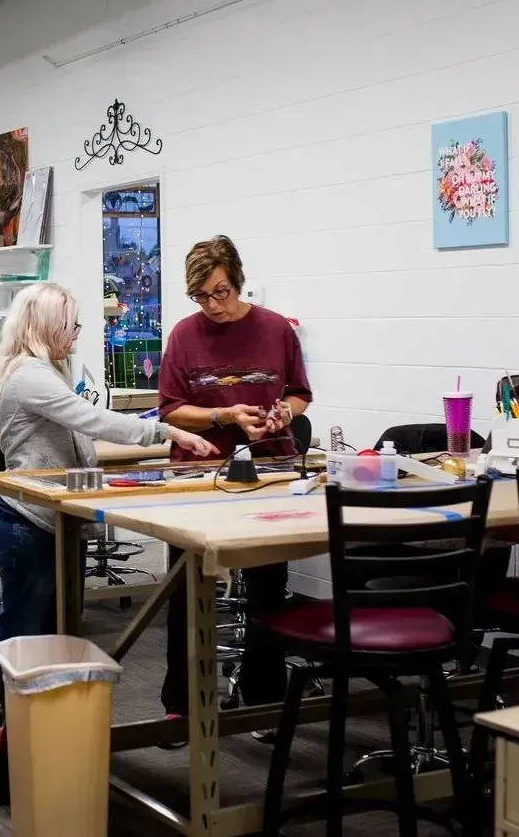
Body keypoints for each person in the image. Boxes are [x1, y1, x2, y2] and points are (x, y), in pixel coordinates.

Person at [0, 282, 217, 644]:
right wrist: (165, 432)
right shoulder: (32, 375)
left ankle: (48, 683)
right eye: (71, 325)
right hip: (30, 519)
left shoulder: (46, 370)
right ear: (48, 326)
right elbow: (92, 419)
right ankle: (6, 683)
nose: (76, 333)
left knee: (55, 626)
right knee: (25, 629)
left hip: (52, 516)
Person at [158, 235, 312, 724]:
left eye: (220, 292)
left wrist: (283, 414)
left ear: (238, 281)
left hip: (267, 470)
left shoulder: (276, 329)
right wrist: (224, 415)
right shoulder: (184, 335)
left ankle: (263, 698)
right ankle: (181, 703)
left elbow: (300, 393)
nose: (212, 305)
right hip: (199, 474)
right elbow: (170, 409)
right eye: (200, 296)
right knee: (187, 589)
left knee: (269, 586)